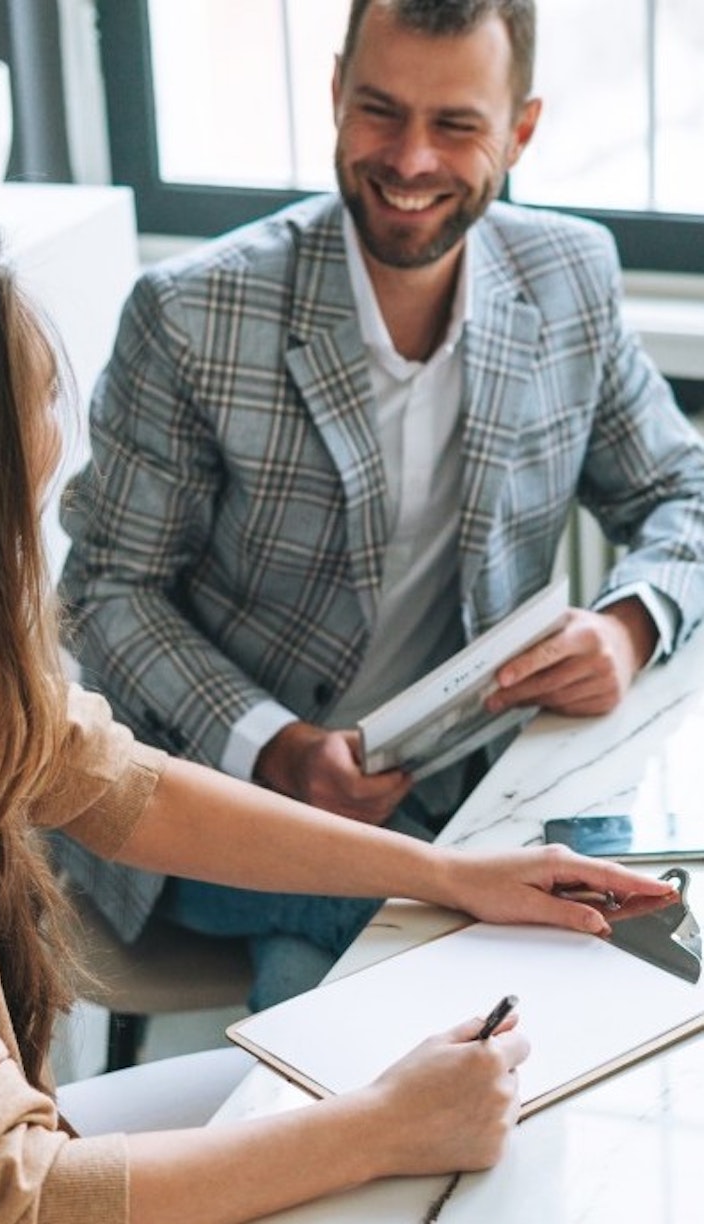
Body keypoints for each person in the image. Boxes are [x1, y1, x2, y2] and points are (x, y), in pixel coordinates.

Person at [0, 221, 677, 1224]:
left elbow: (119, 785)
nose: (63, 445)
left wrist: (449, 873)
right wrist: (381, 1128)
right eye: (47, 401)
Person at [58, 0, 704, 1007]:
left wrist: (626, 627)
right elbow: (106, 590)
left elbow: (683, 493)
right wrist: (276, 746)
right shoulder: (191, 315)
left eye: (456, 125)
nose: (409, 160)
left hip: (474, 791)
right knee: (580, 948)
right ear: (333, 95)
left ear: (519, 131)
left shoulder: (570, 276)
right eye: (379, 112)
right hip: (218, 804)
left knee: (322, 975)